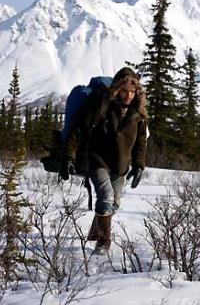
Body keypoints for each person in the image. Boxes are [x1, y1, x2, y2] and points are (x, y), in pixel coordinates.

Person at [61, 67, 148, 255]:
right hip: (98, 160)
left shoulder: (138, 115)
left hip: (121, 166)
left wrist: (139, 165)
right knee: (106, 197)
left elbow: (141, 142)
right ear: (117, 89)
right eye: (124, 90)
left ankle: (96, 230)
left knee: (114, 204)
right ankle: (103, 242)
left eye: (133, 91)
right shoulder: (101, 106)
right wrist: (68, 156)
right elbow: (78, 129)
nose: (128, 95)